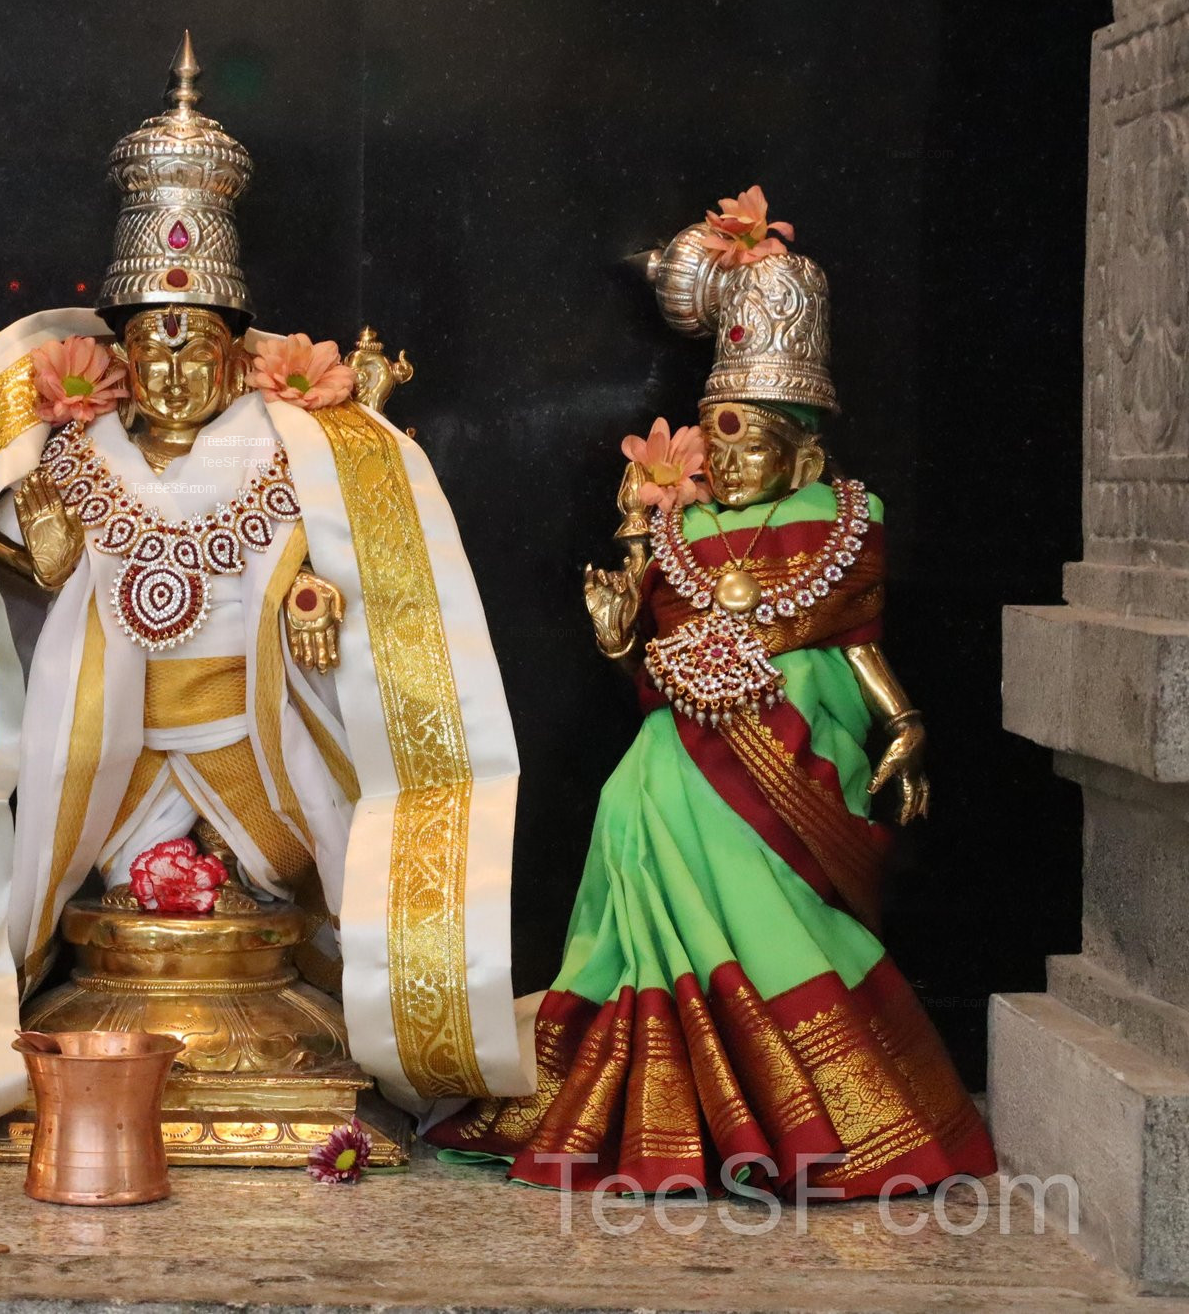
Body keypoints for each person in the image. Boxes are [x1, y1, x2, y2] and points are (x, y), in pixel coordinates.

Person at [0, 39, 527, 1133]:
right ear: (116, 353)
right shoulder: (68, 456)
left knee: (273, 905)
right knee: (103, 912)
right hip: (109, 752)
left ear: (237, 356)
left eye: (199, 350)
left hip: (254, 740)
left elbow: (348, 577)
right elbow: (28, 592)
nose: (174, 373)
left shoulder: (297, 450)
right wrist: (35, 549)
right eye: (151, 349)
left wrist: (318, 605)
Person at [426, 195, 995, 1197]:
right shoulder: (676, 535)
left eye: (749, 448)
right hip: (678, 739)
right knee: (625, 809)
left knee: (758, 884)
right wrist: (616, 640)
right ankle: (677, 1107)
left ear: (796, 446)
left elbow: (853, 646)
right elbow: (654, 660)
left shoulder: (840, 520)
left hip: (796, 744)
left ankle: (827, 1113)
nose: (726, 465)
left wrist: (902, 726)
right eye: (713, 446)